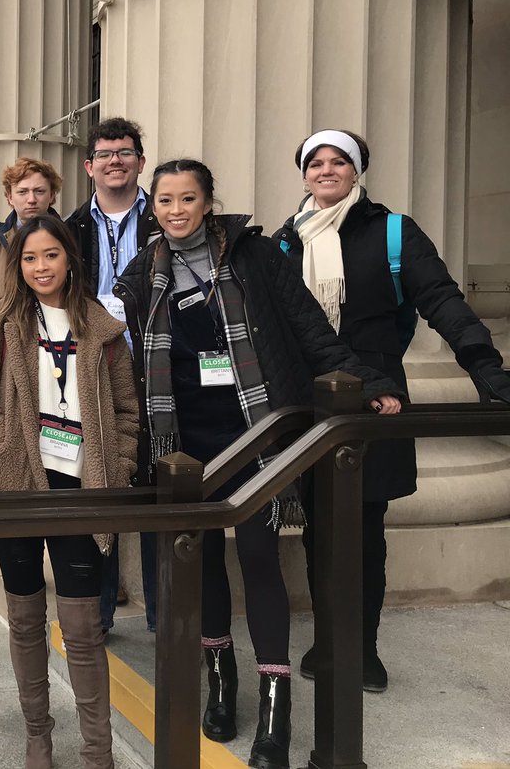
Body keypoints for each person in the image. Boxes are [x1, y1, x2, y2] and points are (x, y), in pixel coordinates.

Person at [115, 159, 403, 769]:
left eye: (187, 198)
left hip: (256, 432)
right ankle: (220, 675)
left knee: (257, 555)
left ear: (208, 201)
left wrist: (371, 379)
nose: (175, 210)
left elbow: (308, 327)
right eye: (164, 200)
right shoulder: (144, 269)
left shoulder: (253, 255)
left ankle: (276, 700)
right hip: (183, 443)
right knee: (204, 559)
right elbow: (104, 329)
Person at [273, 129, 510, 693]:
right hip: (306, 402)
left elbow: (442, 302)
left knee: (365, 527)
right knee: (318, 528)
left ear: (358, 171)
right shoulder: (285, 241)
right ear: (304, 173)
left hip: (378, 396)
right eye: (315, 163)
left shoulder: (393, 231)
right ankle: (328, 640)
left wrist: (488, 371)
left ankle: (363, 646)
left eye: (339, 162)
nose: (326, 171)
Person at [0, 213, 137, 769]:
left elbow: (127, 410)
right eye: (29, 258)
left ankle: (96, 749)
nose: (40, 267)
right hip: (15, 485)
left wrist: (120, 465)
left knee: (83, 626)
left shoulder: (101, 326)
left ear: (69, 259)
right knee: (26, 614)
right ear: (18, 265)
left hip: (82, 485)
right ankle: (39, 734)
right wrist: (5, 449)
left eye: (50, 256)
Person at [66, 117, 161, 635]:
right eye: (104, 154)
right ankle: (97, 615)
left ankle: (162, 615)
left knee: (154, 486)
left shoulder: (165, 217)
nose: (115, 161)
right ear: (90, 166)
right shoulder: (71, 226)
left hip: (157, 365)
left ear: (140, 162)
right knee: (97, 482)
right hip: (93, 369)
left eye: (125, 152)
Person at [0, 156, 64, 295]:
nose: (31, 199)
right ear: (10, 197)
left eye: (39, 191)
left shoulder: (70, 237)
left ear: (52, 196)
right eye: (22, 192)